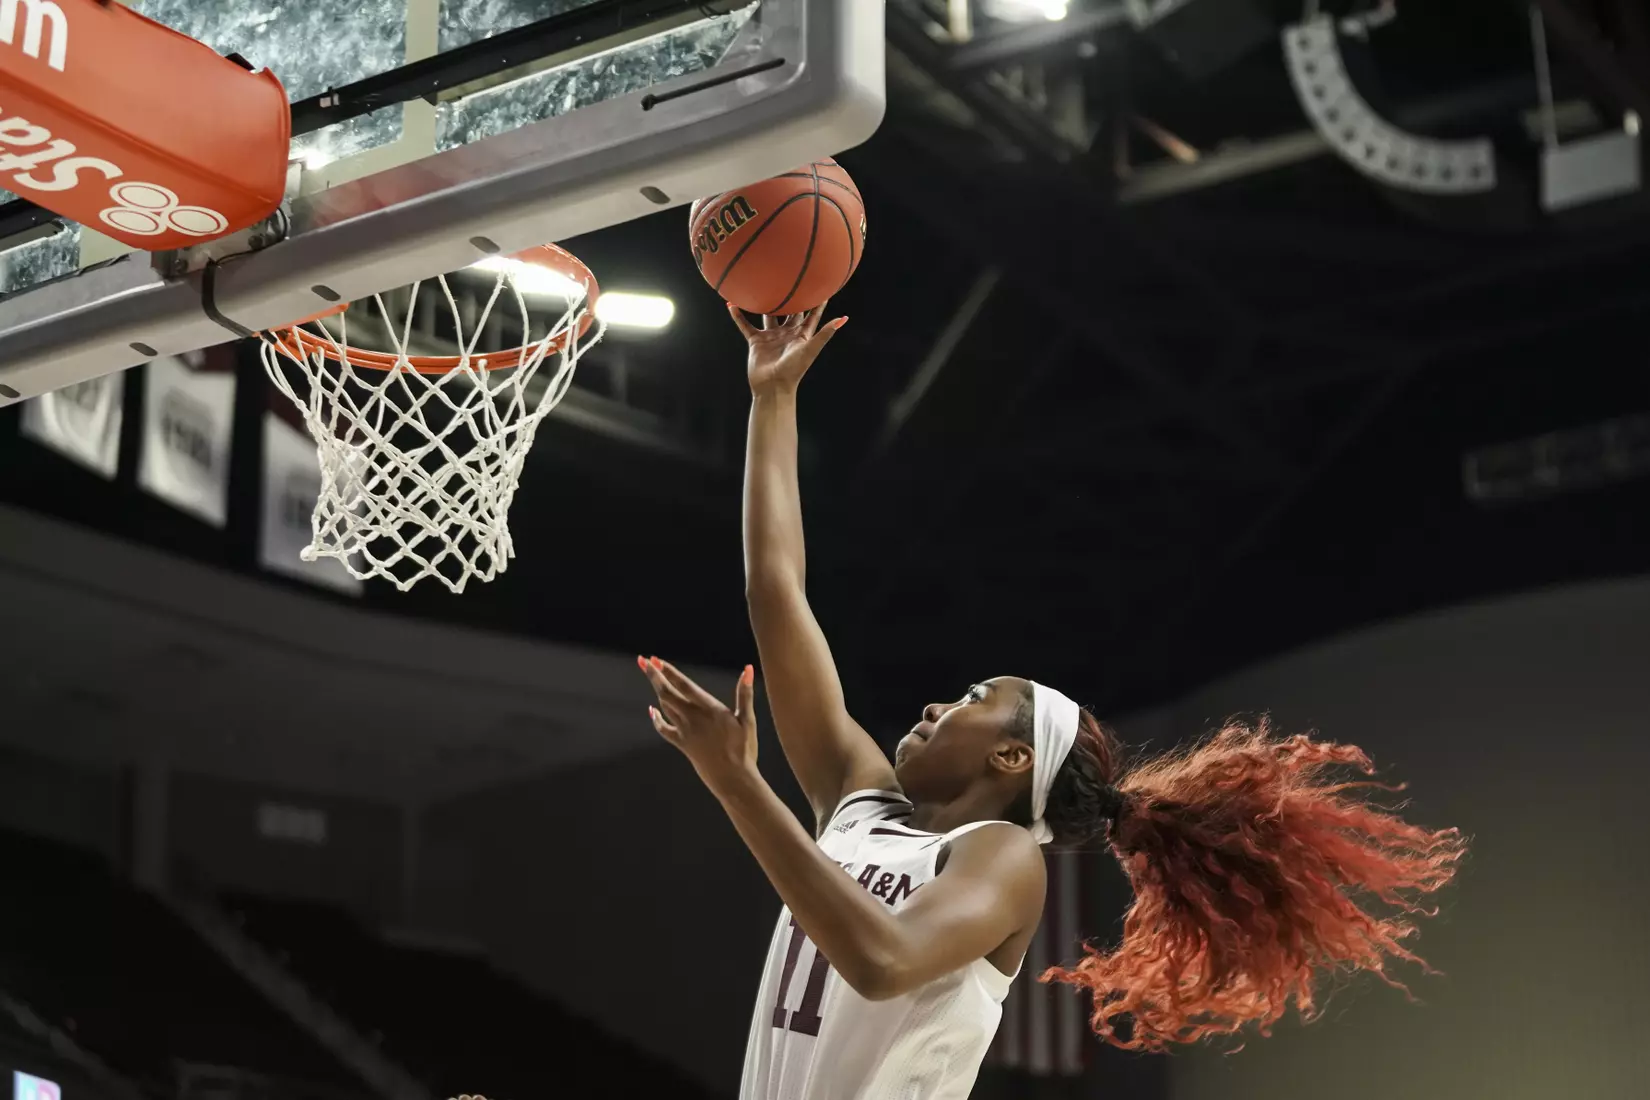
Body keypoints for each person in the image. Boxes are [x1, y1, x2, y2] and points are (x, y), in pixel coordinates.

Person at [636, 305, 1466, 1100]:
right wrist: (771, 399)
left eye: (971, 698)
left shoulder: (1001, 858)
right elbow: (776, 593)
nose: (934, 706)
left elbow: (882, 959)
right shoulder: (861, 802)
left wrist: (739, 783)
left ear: (1012, 756)